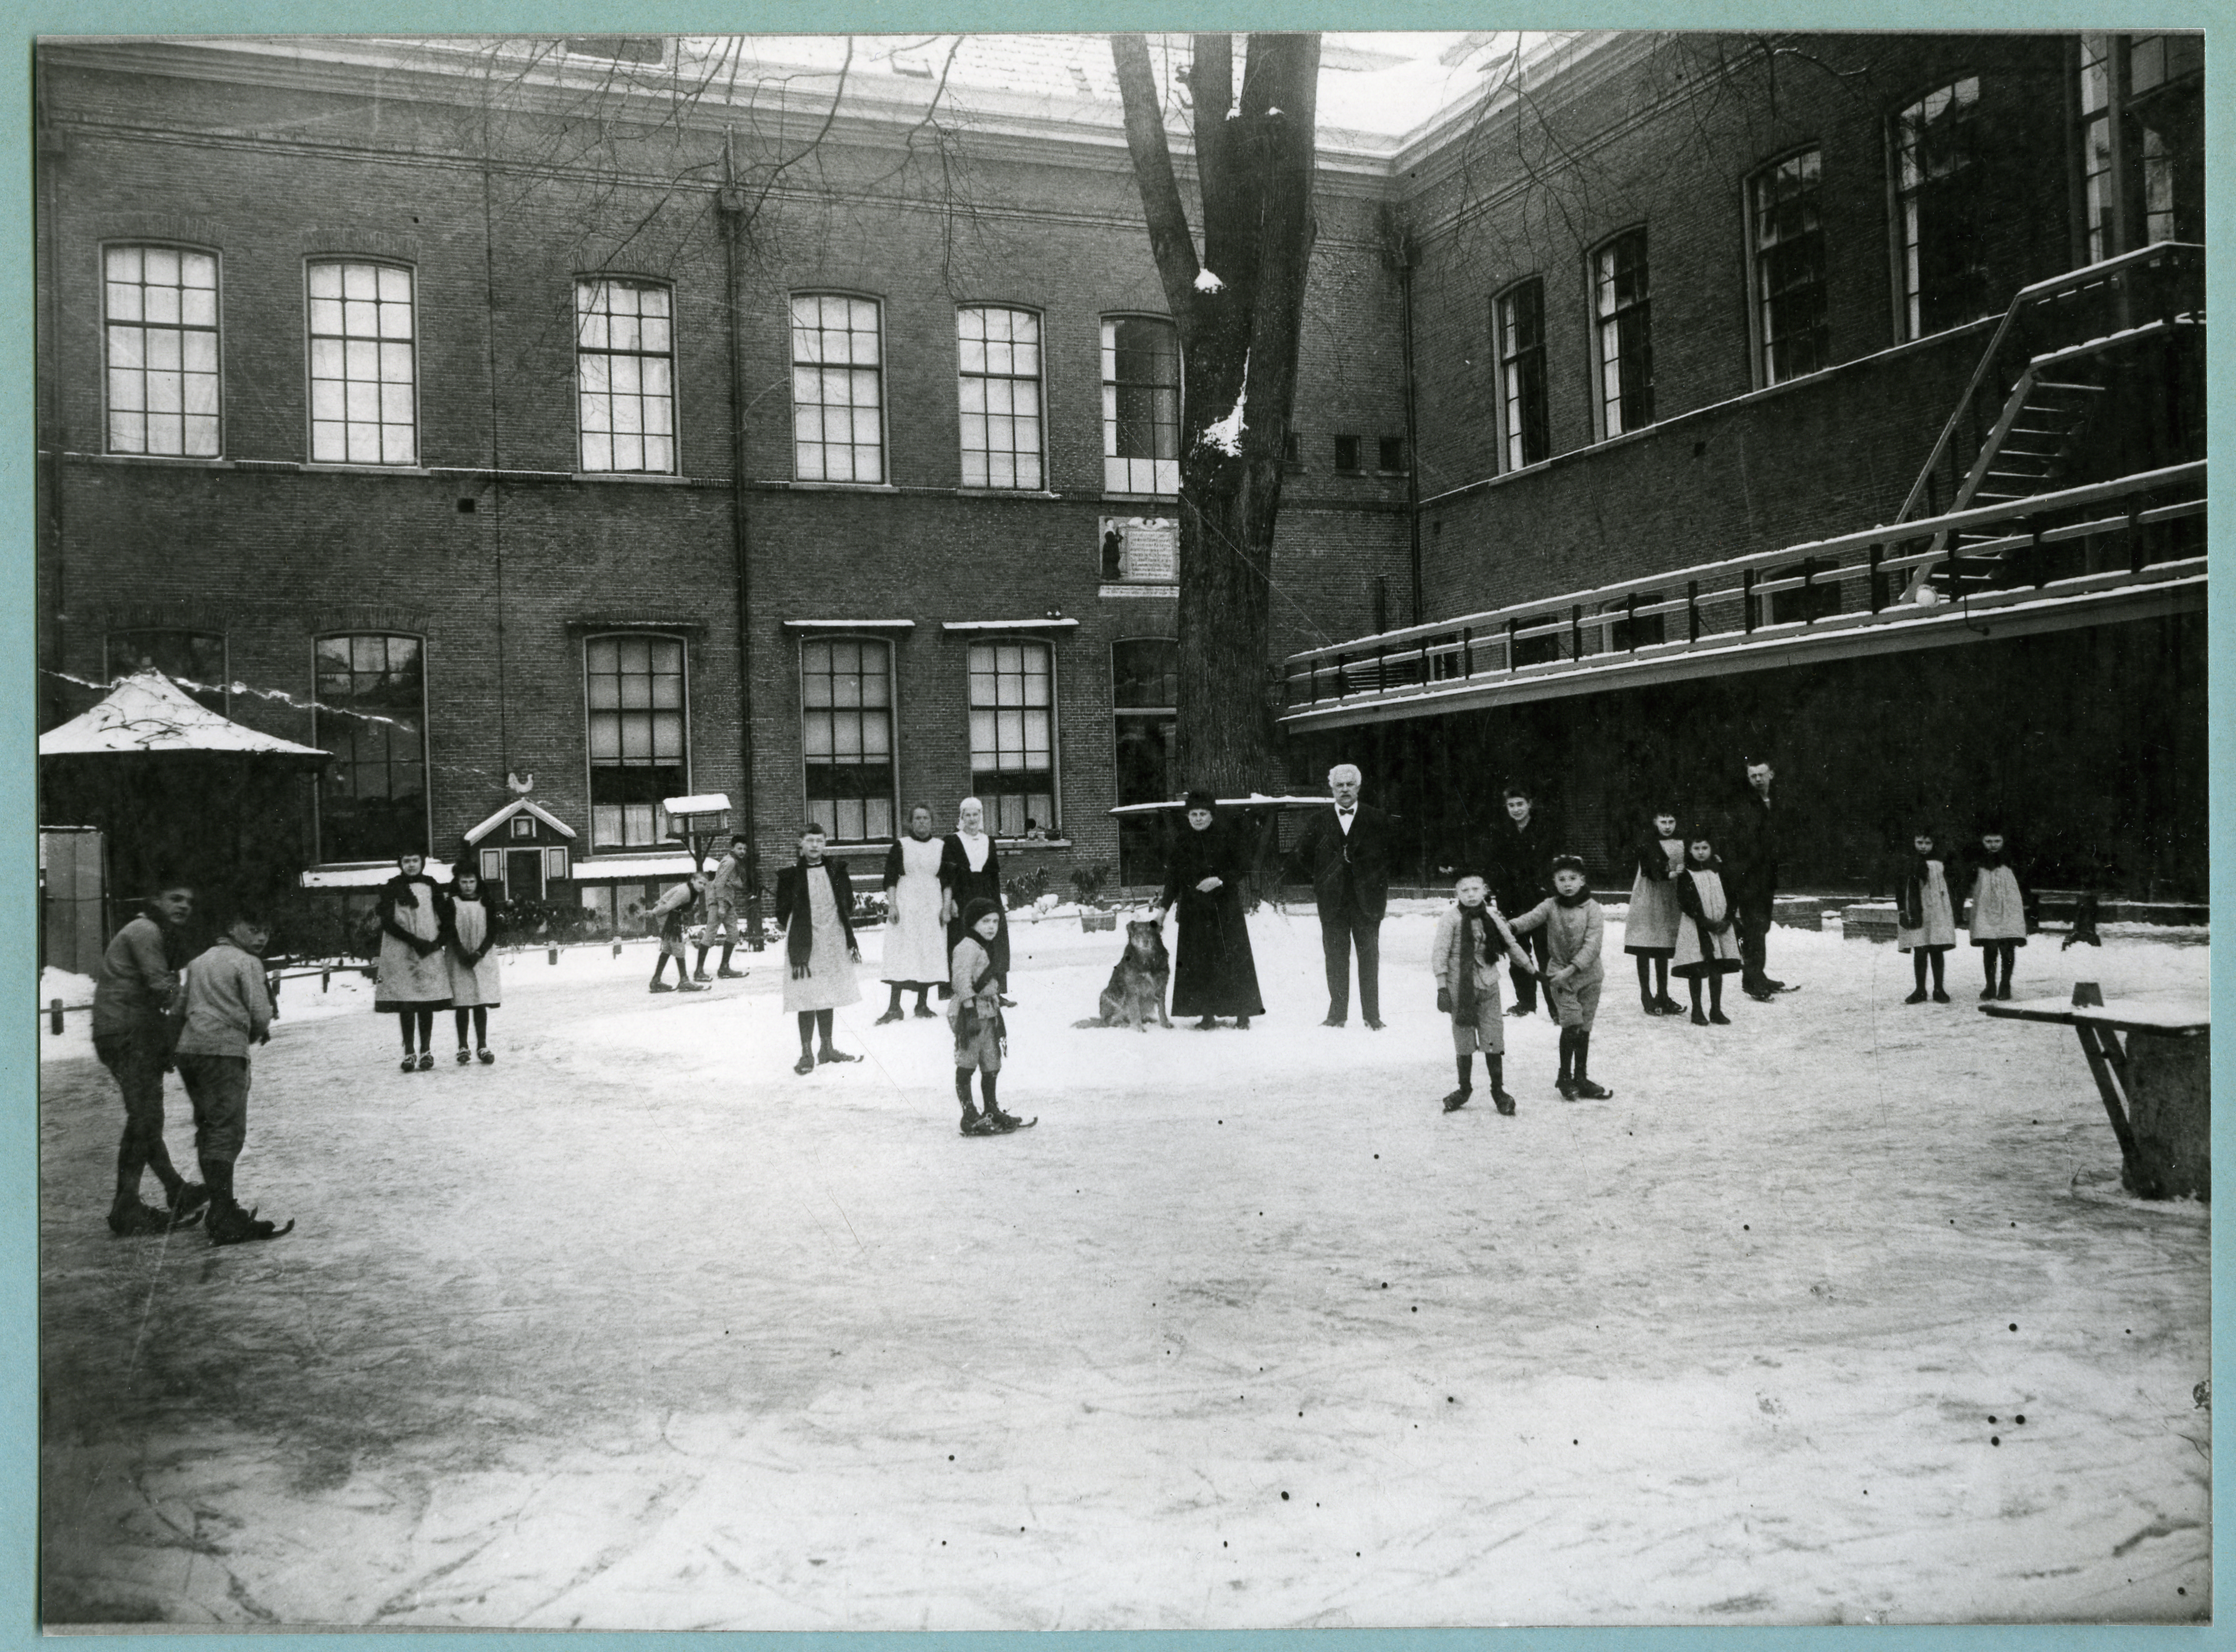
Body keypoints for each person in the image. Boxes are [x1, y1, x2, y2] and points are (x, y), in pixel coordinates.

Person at [169, 901, 290, 1245]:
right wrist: (251, 1034)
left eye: (266, 931)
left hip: (190, 1052)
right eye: (254, 930)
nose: (262, 938)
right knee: (227, 1129)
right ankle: (223, 1215)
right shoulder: (247, 962)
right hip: (223, 1053)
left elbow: (179, 1009)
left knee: (208, 1126)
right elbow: (260, 1013)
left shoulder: (198, 961)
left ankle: (220, 1208)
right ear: (232, 928)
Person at [90, 879, 206, 1235]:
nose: (183, 906)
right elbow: (162, 987)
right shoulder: (145, 930)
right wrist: (200, 1006)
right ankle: (125, 1207)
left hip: (132, 1033)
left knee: (146, 1117)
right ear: (156, 899)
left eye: (188, 901)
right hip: (126, 1033)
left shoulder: (155, 931)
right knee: (145, 1117)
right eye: (175, 898)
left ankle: (176, 1189)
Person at [1284, 763, 1395, 1029]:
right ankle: (1337, 1015)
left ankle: (1372, 1016)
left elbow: (1392, 856)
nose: (1345, 789)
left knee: (1369, 959)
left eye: (1350, 784)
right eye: (1339, 785)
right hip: (1332, 902)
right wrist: (1324, 877)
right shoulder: (1318, 821)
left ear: (1359, 787)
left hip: (1367, 902)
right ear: (1332, 789)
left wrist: (1370, 875)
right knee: (1335, 959)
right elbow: (1302, 855)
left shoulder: (1377, 819)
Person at [1153, 789, 1264, 1031]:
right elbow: (1173, 878)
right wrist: (1163, 909)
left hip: (1225, 909)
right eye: (1193, 814)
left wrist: (1220, 880)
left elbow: (1243, 867)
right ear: (1187, 816)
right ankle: (1206, 1014)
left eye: (1203, 814)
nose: (1198, 818)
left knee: (1231, 959)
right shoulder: (1182, 841)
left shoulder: (1227, 835)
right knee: (1200, 961)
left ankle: (1242, 1014)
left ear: (1212, 815)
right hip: (1194, 911)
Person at [1508, 854, 1611, 1100]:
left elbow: (1593, 945)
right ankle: (1564, 1076)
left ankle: (1581, 1077)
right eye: (1561, 879)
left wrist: (1573, 968)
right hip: (1560, 977)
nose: (1567, 884)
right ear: (1554, 882)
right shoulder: (1550, 905)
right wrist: (1508, 926)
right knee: (1571, 1023)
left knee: (1584, 1026)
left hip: (1590, 977)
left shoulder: (1593, 909)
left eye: (1572, 878)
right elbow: (1528, 920)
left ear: (1582, 880)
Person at [1431, 870, 1532, 1115]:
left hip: (1488, 986)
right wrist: (1442, 987)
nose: (1471, 894)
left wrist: (1530, 969)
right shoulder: (1450, 919)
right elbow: (1440, 954)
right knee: (1463, 1039)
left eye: (1475, 889)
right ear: (1457, 893)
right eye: (1464, 890)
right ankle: (1464, 1089)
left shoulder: (1493, 917)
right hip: (1459, 988)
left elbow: (1510, 944)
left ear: (1485, 890)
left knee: (1492, 1037)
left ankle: (1498, 1091)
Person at [776, 822, 864, 1074]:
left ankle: (827, 1048)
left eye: (820, 841)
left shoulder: (837, 870)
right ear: (801, 843)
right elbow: (782, 912)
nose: (815, 845)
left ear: (825, 844)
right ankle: (806, 1053)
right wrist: (803, 927)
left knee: (827, 991)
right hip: (804, 942)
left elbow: (847, 902)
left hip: (832, 938)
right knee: (806, 994)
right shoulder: (790, 876)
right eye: (810, 840)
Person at [949, 897, 1030, 1135]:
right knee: (967, 1062)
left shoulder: (983, 946)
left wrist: (997, 1000)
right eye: (985, 921)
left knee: (991, 1061)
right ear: (973, 923)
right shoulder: (966, 947)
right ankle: (969, 1115)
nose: (991, 926)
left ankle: (991, 1109)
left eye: (995, 921)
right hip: (971, 1014)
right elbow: (961, 980)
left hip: (988, 1012)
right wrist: (969, 1011)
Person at [1726, 758, 1798, 1001]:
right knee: (1754, 927)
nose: (1757, 779)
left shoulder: (1778, 802)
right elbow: (1744, 842)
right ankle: (1752, 980)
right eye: (1753, 776)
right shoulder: (1744, 805)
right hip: (1748, 876)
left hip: (1767, 875)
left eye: (1761, 774)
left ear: (1771, 775)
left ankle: (1757, 975)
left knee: (1762, 926)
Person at [1486, 784, 1557, 1019]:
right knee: (1518, 953)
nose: (1516, 809)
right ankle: (1525, 1003)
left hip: (1539, 900)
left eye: (1520, 804)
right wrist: (1495, 887)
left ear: (1529, 805)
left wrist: (1546, 888)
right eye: (1511, 805)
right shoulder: (1501, 831)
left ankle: (1556, 1006)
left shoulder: (1544, 829)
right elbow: (1494, 863)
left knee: (1546, 953)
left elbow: (1549, 864)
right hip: (1511, 902)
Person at [375, 852, 451, 1071]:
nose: (411, 865)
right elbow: (388, 922)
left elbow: (446, 917)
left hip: (427, 949)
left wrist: (436, 943)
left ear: (422, 862)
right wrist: (412, 940)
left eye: (415, 860)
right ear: (400, 863)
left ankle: (426, 1050)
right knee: (406, 1001)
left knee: (425, 999)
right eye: (406, 861)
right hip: (400, 949)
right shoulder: (392, 886)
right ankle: (409, 1052)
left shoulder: (431, 885)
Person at [877, 803, 949, 1023]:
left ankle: (922, 1004)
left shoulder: (941, 846)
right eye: (917, 818)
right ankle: (894, 1007)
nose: (922, 822)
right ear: (910, 822)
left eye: (926, 818)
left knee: (926, 950)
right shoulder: (901, 845)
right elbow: (890, 878)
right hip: (906, 903)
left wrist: (946, 907)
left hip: (932, 904)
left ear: (932, 822)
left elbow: (948, 880)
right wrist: (893, 905)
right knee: (902, 951)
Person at [939, 797, 1010, 1003]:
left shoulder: (989, 841)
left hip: (987, 897)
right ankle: (962, 993)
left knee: (993, 942)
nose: (972, 819)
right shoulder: (952, 841)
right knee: (965, 943)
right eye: (967, 815)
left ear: (981, 816)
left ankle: (994, 992)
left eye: (975, 814)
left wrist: (997, 906)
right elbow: (947, 876)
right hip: (963, 899)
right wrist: (950, 901)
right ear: (961, 817)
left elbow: (993, 876)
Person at [1671, 833, 1743, 1026]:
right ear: (1689, 850)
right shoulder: (1687, 873)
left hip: (1720, 925)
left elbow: (1732, 895)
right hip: (1697, 926)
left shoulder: (1720, 870)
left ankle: (1716, 1009)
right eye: (1696, 848)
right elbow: (1685, 902)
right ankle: (1697, 1010)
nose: (1701, 852)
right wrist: (1704, 922)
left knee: (1716, 967)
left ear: (1712, 849)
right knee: (1696, 967)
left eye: (1705, 848)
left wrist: (1727, 919)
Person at [1624, 809, 1687, 1016]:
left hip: (1668, 898)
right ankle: (1646, 995)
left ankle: (1663, 994)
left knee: (1662, 945)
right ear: (1655, 822)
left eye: (1671, 821)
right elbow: (1651, 870)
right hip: (1648, 896)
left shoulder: (1681, 842)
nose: (1667, 826)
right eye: (1663, 822)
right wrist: (1670, 874)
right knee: (1644, 944)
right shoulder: (1648, 842)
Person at [443, 862, 503, 1062]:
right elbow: (450, 931)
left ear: (478, 882)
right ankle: (463, 1046)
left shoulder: (486, 902)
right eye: (464, 882)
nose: (468, 886)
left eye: (471, 881)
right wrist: (461, 953)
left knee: (479, 1001)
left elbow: (492, 932)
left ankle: (482, 1045)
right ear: (457, 883)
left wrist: (479, 953)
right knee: (462, 1003)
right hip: (458, 957)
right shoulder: (451, 903)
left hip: (481, 957)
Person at [1967, 828, 2035, 1002]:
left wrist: (2027, 902)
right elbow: (1968, 881)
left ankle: (2005, 985)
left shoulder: (2012, 860)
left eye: (1997, 841)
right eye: (1988, 841)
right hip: (1986, 908)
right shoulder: (1978, 861)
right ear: (1982, 842)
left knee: (2007, 945)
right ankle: (1990, 985)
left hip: (2008, 907)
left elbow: (2024, 881)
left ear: (2004, 841)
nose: (1993, 845)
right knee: (1989, 947)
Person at [1896, 829, 1959, 1005]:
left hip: (1937, 909)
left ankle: (1939, 989)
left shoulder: (1940, 863)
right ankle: (1920, 990)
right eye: (1920, 842)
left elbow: (1951, 885)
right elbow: (1900, 887)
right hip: (1915, 908)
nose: (1923, 847)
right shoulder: (1907, 862)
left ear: (1934, 844)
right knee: (1920, 949)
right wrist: (1902, 910)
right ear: (1913, 843)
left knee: (1936, 948)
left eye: (1928, 843)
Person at [694, 834, 752, 982]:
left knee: (733, 933)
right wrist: (720, 905)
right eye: (739, 848)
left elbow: (734, 882)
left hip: (728, 902)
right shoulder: (730, 862)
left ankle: (724, 968)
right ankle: (699, 971)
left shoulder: (736, 862)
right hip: (719, 902)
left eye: (745, 849)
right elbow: (719, 883)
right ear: (732, 848)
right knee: (710, 934)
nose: (742, 851)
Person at [646, 874, 711, 993]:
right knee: (678, 947)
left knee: (668, 948)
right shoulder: (685, 892)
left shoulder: (691, 890)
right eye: (700, 882)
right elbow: (668, 906)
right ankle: (684, 981)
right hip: (667, 916)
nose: (702, 886)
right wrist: (654, 912)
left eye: (705, 884)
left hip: (670, 916)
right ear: (692, 880)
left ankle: (656, 981)